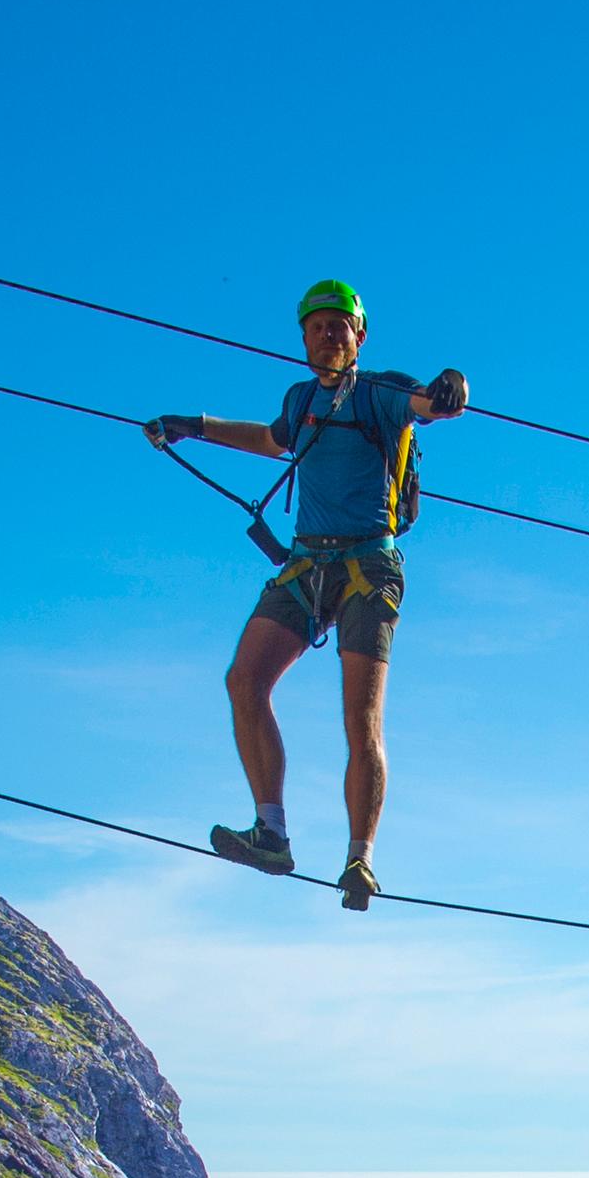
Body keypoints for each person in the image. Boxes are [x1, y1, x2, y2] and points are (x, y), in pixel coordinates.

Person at [148, 280, 465, 910]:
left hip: (369, 566)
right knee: (245, 682)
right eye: (316, 325)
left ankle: (360, 861)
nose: (327, 333)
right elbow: (273, 439)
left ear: (358, 335)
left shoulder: (379, 391)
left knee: (360, 720)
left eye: (338, 325)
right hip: (305, 562)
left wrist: (453, 381)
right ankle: (271, 833)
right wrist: (194, 426)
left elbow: (432, 404)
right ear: (304, 337)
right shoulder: (300, 399)